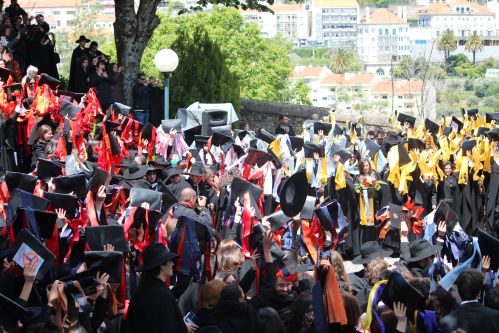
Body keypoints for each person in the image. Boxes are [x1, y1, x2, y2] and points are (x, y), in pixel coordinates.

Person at [125, 243, 188, 333]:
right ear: (162, 265)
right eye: (170, 260)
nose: (172, 263)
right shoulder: (164, 295)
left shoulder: (139, 293)